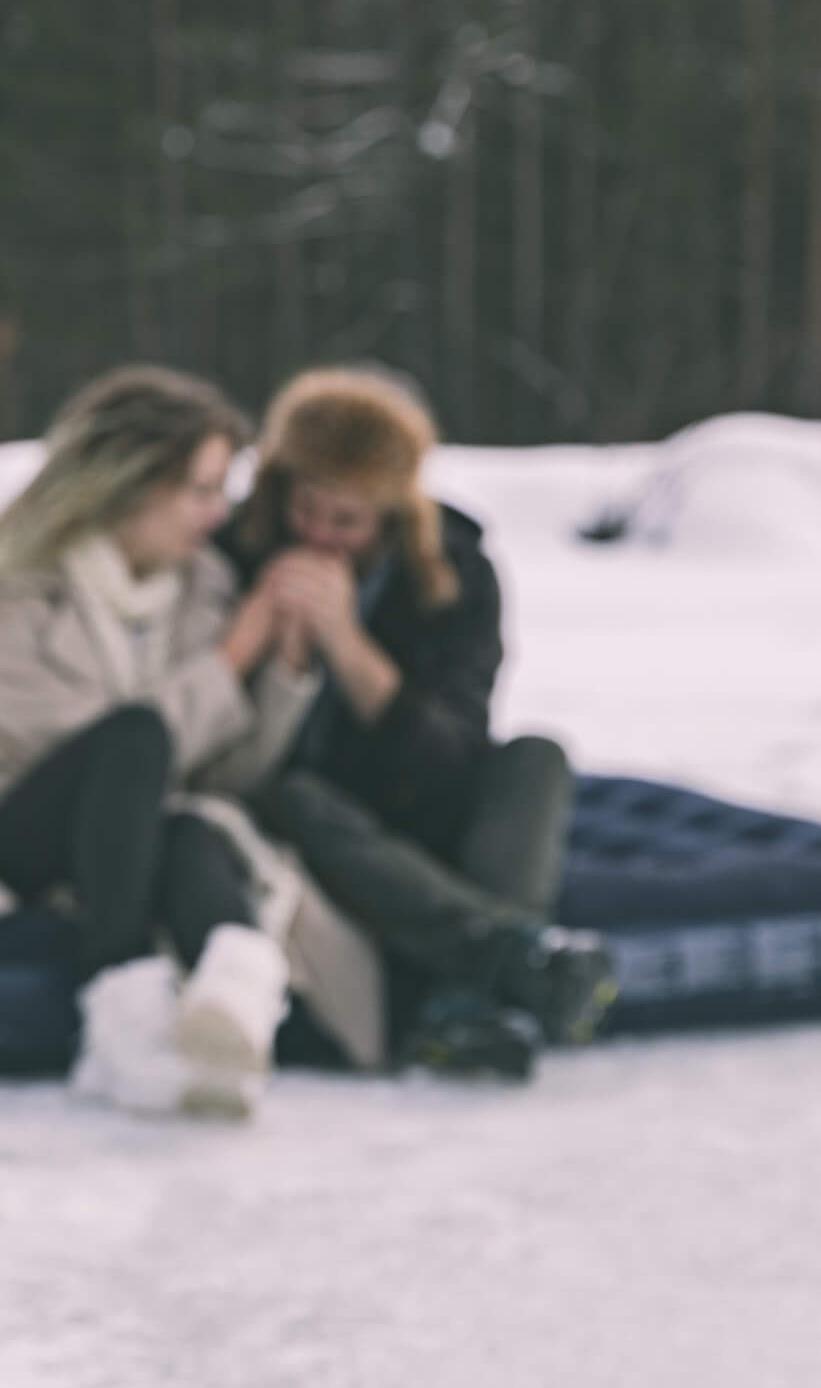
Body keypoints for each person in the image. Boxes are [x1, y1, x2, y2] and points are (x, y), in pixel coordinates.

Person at [0, 366, 388, 1118]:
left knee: (194, 825)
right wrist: (232, 657)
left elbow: (228, 770)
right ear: (129, 483)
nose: (214, 512)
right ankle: (123, 1006)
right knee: (135, 738)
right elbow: (84, 747)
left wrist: (287, 662)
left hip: (153, 832)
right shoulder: (13, 585)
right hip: (21, 822)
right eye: (200, 489)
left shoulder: (205, 585)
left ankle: (234, 1007)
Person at [220, 366, 616, 1080]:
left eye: (347, 520)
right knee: (293, 794)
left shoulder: (458, 570)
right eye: (307, 510)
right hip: (307, 807)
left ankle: (465, 998)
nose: (320, 535)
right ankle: (506, 961)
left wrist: (346, 642)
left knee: (537, 756)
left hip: (415, 800)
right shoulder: (237, 550)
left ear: (392, 510)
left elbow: (449, 755)